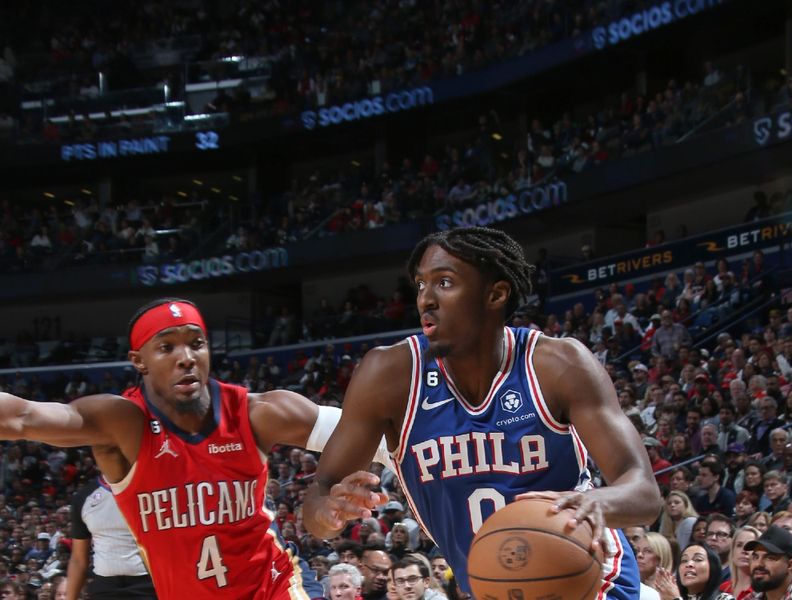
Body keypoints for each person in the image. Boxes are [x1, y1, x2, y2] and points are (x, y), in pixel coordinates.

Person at [304, 227, 661, 599]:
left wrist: (595, 503)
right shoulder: (388, 375)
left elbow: (644, 493)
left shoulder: (558, 364)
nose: (426, 299)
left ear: (496, 293)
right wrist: (329, 514)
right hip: (495, 586)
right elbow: (320, 496)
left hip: (586, 577)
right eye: (420, 285)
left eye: (444, 282)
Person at [0, 297, 377, 599]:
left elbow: (367, 430)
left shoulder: (258, 412)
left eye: (197, 344)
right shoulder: (122, 423)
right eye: (166, 347)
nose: (186, 357)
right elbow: (23, 418)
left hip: (274, 585)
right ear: (138, 362)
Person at [66, 475, 156, 599]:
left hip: (148, 584)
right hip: (104, 586)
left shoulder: (154, 489)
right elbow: (78, 559)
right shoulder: (84, 497)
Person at [653, 542, 733, 600]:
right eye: (684, 560)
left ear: (712, 567)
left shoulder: (725, 598)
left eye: (698, 559)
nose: (689, 564)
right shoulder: (667, 597)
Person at [742, 525, 792, 599]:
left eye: (770, 558)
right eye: (755, 557)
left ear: (790, 565)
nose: (758, 564)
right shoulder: (753, 597)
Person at [719, 526, 758, 599]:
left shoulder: (762, 591)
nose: (744, 550)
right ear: (733, 551)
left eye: (750, 546)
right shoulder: (722, 588)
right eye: (739, 545)